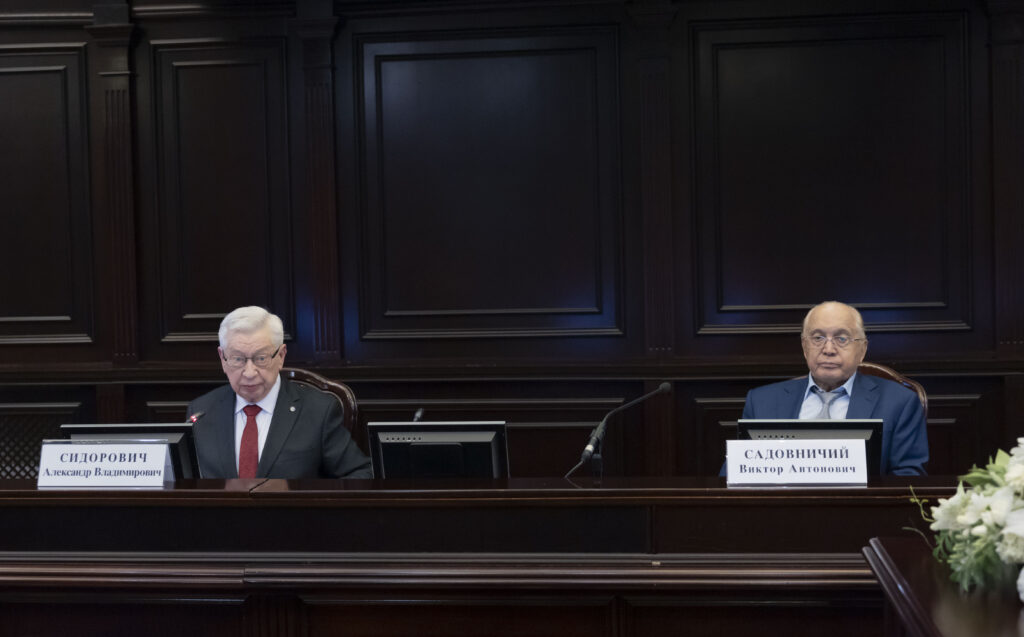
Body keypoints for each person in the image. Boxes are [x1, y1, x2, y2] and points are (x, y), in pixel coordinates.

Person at [736, 301, 928, 475]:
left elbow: (908, 479)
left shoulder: (899, 403)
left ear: (862, 350)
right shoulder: (762, 402)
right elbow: (736, 474)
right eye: (818, 338)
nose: (828, 350)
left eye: (842, 339)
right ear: (805, 347)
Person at [187, 306, 372, 479]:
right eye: (237, 359)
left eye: (261, 358)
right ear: (222, 358)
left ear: (281, 356)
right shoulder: (202, 412)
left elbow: (359, 474)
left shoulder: (318, 411)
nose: (249, 373)